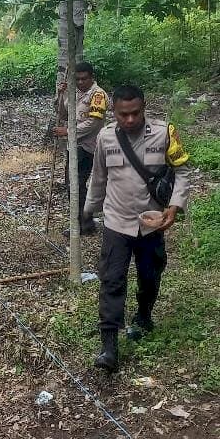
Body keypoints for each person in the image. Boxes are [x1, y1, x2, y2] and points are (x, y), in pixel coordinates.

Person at [83, 85, 190, 372]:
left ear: (144, 107)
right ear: (114, 112)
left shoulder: (164, 133)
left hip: (152, 222)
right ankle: (109, 347)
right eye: (122, 114)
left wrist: (174, 207)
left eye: (135, 113)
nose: (129, 120)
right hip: (116, 221)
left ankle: (143, 316)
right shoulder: (105, 138)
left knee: (150, 274)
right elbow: (98, 178)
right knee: (112, 280)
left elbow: (181, 171)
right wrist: (87, 212)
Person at [54, 62, 109, 236]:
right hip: (74, 145)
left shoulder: (98, 95)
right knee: (72, 184)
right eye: (77, 79)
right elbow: (62, 114)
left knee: (76, 184)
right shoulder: (74, 92)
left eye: (84, 79)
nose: (80, 82)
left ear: (92, 77)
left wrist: (68, 131)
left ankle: (84, 223)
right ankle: (83, 221)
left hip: (88, 146)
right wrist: (61, 94)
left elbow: (94, 123)